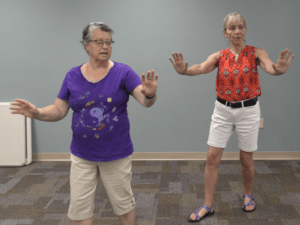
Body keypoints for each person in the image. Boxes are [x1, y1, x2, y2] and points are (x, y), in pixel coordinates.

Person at [10, 22, 158, 225]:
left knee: (124, 207)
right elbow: (59, 110)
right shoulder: (73, 75)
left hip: (115, 153)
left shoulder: (123, 73)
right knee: (80, 212)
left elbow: (145, 101)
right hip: (82, 155)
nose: (105, 47)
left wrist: (150, 94)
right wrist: (37, 113)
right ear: (87, 45)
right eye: (99, 42)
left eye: (109, 42)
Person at [169, 12, 294, 223]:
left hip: (249, 111)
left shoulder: (256, 52)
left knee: (246, 159)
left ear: (245, 29)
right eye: (232, 28)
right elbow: (200, 68)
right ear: (225, 32)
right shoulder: (219, 56)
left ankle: (247, 194)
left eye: (241, 27)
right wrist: (184, 71)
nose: (237, 31)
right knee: (211, 158)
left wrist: (279, 69)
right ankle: (208, 205)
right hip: (223, 111)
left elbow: (271, 67)